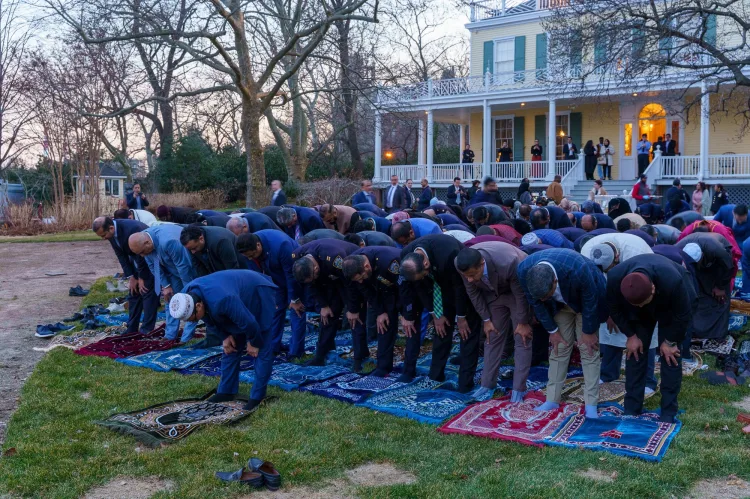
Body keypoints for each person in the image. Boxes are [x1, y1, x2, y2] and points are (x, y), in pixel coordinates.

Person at [170, 270, 279, 412]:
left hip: (258, 292)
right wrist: (224, 337)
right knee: (230, 346)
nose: (196, 321)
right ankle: (226, 391)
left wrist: (254, 342)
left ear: (198, 306)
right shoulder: (187, 294)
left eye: (194, 319)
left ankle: (258, 397)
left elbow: (249, 323)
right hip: (235, 297)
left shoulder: (223, 300)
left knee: (261, 347)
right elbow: (207, 318)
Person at [517, 249, 608, 418]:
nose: (543, 300)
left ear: (555, 281)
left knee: (588, 350)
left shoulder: (578, 269)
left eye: (546, 295)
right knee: (559, 348)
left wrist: (588, 332)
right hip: (559, 307)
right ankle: (552, 399)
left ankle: (591, 405)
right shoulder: (523, 271)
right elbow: (536, 303)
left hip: (586, 302)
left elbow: (591, 300)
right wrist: (552, 330)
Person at [606, 254, 696, 423]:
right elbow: (614, 308)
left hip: (670, 308)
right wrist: (631, 335)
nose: (641, 306)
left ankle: (668, 411)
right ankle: (632, 408)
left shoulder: (673, 280)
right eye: (637, 304)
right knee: (635, 352)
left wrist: (670, 341)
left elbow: (684, 314)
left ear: (653, 288)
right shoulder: (615, 278)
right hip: (638, 316)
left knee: (670, 356)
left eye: (643, 302)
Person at [399, 234, 482, 392]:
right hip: (438, 290)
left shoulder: (448, 253)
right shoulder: (406, 257)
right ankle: (436, 375)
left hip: (462, 288)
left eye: (424, 274)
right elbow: (420, 287)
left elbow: (460, 288)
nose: (423, 277)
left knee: (467, 333)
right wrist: (435, 313)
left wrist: (462, 316)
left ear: (425, 263)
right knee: (441, 329)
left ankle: (465, 382)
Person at [580, 234, 658, 394]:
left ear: (617, 257)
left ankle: (647, 381)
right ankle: (608, 373)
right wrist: (610, 313)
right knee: (609, 332)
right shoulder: (587, 251)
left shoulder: (638, 252)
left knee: (645, 335)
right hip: (608, 293)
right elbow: (594, 285)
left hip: (640, 294)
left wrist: (624, 319)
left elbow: (642, 290)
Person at [455, 244, 533, 402]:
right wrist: (486, 319)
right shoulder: (460, 263)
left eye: (472, 275)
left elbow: (520, 294)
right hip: (493, 294)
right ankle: (487, 384)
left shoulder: (510, 263)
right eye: (466, 276)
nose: (469, 279)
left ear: (481, 264)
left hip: (517, 292)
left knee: (522, 337)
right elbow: (473, 292)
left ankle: (518, 389)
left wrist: (523, 322)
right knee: (492, 335)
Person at [292, 240, 367, 370]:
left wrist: (352, 309)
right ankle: (320, 356)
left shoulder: (335, 258)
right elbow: (312, 284)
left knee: (355, 318)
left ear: (315, 268)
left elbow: (350, 284)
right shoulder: (298, 258)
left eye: (314, 276)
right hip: (329, 280)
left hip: (350, 278)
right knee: (327, 316)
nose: (313, 279)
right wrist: (323, 305)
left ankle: (359, 357)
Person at [237, 231, 306, 358]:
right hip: (274, 279)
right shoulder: (247, 251)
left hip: (295, 277)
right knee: (275, 310)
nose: (250, 259)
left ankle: (296, 352)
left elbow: (291, 275)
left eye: (253, 255)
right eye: (248, 257)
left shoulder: (281, 245)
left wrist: (294, 299)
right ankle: (273, 346)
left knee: (296, 311)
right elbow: (256, 276)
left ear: (258, 245)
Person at [128, 224, 199, 343]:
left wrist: (188, 290)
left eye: (142, 252)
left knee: (191, 301)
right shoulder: (145, 239)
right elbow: (153, 265)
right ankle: (170, 335)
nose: (143, 255)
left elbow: (183, 267)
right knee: (170, 299)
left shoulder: (168, 241)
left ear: (147, 243)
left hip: (189, 270)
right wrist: (166, 286)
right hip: (172, 269)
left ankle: (186, 337)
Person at [342, 246, 402, 376]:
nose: (361, 281)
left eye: (361, 277)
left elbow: (402, 289)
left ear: (367, 266)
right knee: (383, 321)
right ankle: (380, 365)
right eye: (358, 279)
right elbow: (365, 289)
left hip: (399, 287)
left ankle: (388, 366)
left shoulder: (390, 263)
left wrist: (404, 313)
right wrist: (380, 312)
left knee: (390, 320)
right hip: (380, 288)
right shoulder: (353, 264)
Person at [92, 217, 158, 335]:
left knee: (147, 292)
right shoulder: (111, 234)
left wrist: (142, 277)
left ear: (111, 228)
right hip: (138, 262)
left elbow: (141, 254)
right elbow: (121, 255)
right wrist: (131, 276)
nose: (103, 239)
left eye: (103, 235)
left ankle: (147, 330)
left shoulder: (133, 229)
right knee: (133, 293)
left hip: (150, 259)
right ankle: (132, 328)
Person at [676, 233, 733, 341]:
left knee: (720, 298)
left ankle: (717, 334)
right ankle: (698, 331)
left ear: (702, 255)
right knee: (699, 293)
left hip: (721, 264)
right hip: (694, 264)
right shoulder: (678, 249)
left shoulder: (717, 250)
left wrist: (720, 286)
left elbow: (728, 266)